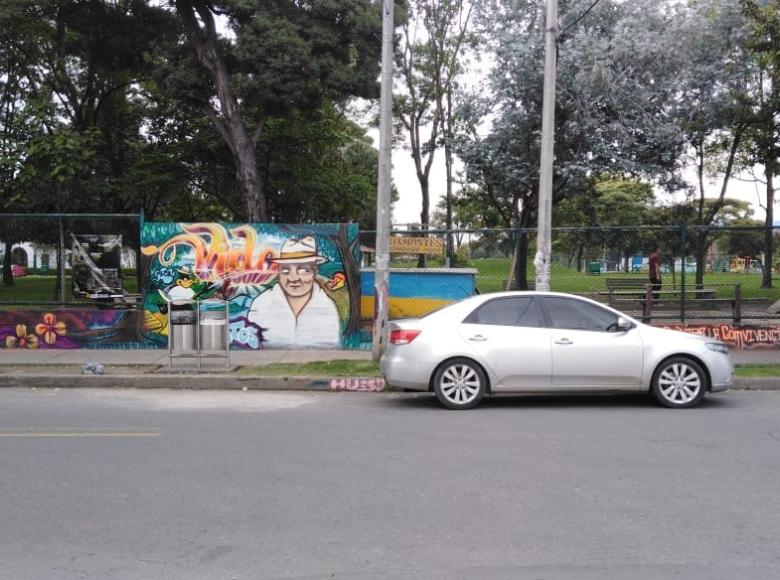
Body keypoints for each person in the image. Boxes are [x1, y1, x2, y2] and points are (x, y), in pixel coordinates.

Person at [247, 236, 341, 348]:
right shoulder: (261, 304)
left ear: (314, 272)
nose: (294, 278)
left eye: (303, 270)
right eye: (286, 271)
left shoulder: (327, 307)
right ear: (279, 272)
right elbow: (249, 342)